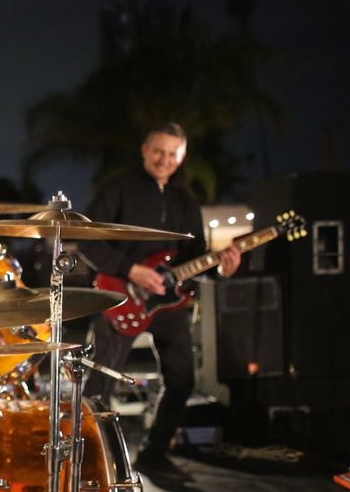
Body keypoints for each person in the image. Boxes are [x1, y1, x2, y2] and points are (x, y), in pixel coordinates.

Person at [79, 122, 240, 474]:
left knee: (182, 380)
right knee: (100, 384)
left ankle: (154, 454)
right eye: (158, 151)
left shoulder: (186, 202)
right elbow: (88, 242)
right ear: (145, 150)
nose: (164, 159)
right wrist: (131, 270)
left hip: (169, 304)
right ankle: (88, 462)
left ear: (181, 158)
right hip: (119, 296)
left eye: (172, 154)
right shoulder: (118, 189)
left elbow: (194, 260)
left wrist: (221, 269)